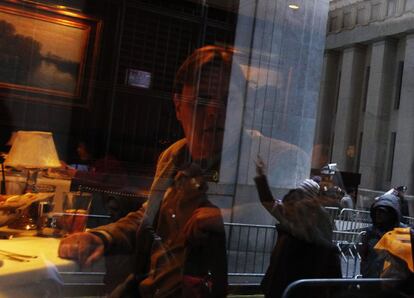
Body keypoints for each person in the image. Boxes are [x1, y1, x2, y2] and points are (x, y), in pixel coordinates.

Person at [58, 45, 230, 297]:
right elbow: (148, 216)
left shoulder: (268, 160)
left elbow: (294, 221)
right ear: (178, 105)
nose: (215, 112)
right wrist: (101, 237)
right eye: (201, 101)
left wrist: (229, 216)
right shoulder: (174, 155)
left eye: (227, 101)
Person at [254, 157, 342, 298]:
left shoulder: (318, 232)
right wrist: (261, 177)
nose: (294, 207)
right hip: (282, 285)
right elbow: (270, 203)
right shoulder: (290, 225)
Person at [359, 193, 406, 278]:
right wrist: (365, 271)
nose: (378, 214)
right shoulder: (370, 232)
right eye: (377, 211)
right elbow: (364, 255)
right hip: (370, 279)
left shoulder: (403, 232)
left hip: (393, 282)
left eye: (382, 211)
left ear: (392, 213)